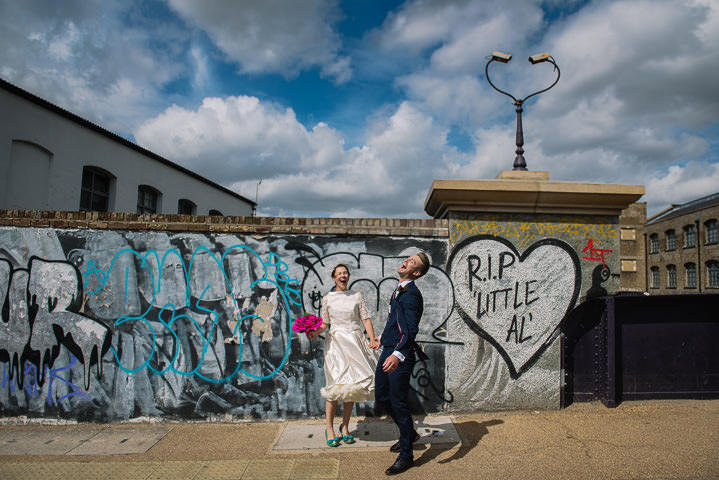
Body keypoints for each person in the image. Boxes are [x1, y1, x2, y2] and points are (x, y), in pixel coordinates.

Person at [307, 264, 380, 447]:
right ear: (333, 278)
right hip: (336, 345)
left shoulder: (356, 296)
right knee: (334, 387)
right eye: (339, 273)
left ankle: (345, 427)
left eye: (345, 273)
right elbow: (325, 323)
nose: (343, 275)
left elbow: (365, 318)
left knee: (352, 387)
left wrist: (372, 339)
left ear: (348, 277)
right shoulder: (328, 298)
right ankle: (329, 428)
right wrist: (315, 333)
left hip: (355, 343)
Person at [375, 252, 429, 475]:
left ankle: (406, 455)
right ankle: (410, 434)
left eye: (413, 262)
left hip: (400, 355)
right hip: (389, 348)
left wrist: (397, 354)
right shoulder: (399, 291)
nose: (406, 260)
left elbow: (411, 330)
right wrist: (382, 337)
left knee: (398, 403)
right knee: (382, 396)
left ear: (416, 273)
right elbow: (395, 322)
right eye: (408, 258)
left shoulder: (412, 295)